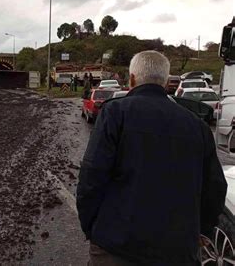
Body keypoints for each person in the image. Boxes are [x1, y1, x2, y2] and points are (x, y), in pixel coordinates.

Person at [76, 50, 227, 265]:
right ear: (166, 83)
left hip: (117, 246)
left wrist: (92, 228)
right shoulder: (198, 126)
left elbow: (91, 178)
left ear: (132, 79)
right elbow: (215, 189)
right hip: (177, 251)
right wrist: (200, 231)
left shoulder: (115, 114)